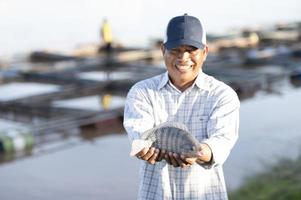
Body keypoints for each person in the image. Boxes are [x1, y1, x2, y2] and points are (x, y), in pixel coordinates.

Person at [123, 14, 240, 200]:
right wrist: (144, 149)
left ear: (205, 52)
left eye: (191, 50)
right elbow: (139, 134)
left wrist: (200, 152)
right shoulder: (141, 92)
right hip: (155, 195)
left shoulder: (222, 94)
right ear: (163, 50)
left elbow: (222, 141)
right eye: (175, 50)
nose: (183, 58)